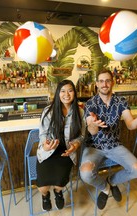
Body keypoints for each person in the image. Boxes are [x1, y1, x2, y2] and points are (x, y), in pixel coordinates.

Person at [80, 69, 137, 210]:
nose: (105, 84)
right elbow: (92, 131)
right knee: (85, 173)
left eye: (108, 80)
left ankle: (112, 181)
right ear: (97, 84)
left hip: (114, 145)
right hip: (94, 147)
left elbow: (130, 125)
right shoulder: (90, 104)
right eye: (101, 81)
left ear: (112, 83)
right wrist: (94, 125)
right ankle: (105, 187)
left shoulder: (121, 101)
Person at [36, 79, 86, 211]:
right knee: (43, 187)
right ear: (58, 93)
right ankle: (45, 196)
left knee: (60, 184)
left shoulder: (80, 113)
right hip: (48, 152)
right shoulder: (48, 111)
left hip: (66, 153)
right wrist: (45, 145)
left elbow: (81, 136)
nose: (66, 94)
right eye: (63, 91)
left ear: (74, 93)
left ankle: (58, 193)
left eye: (70, 91)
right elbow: (42, 134)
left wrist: (75, 145)